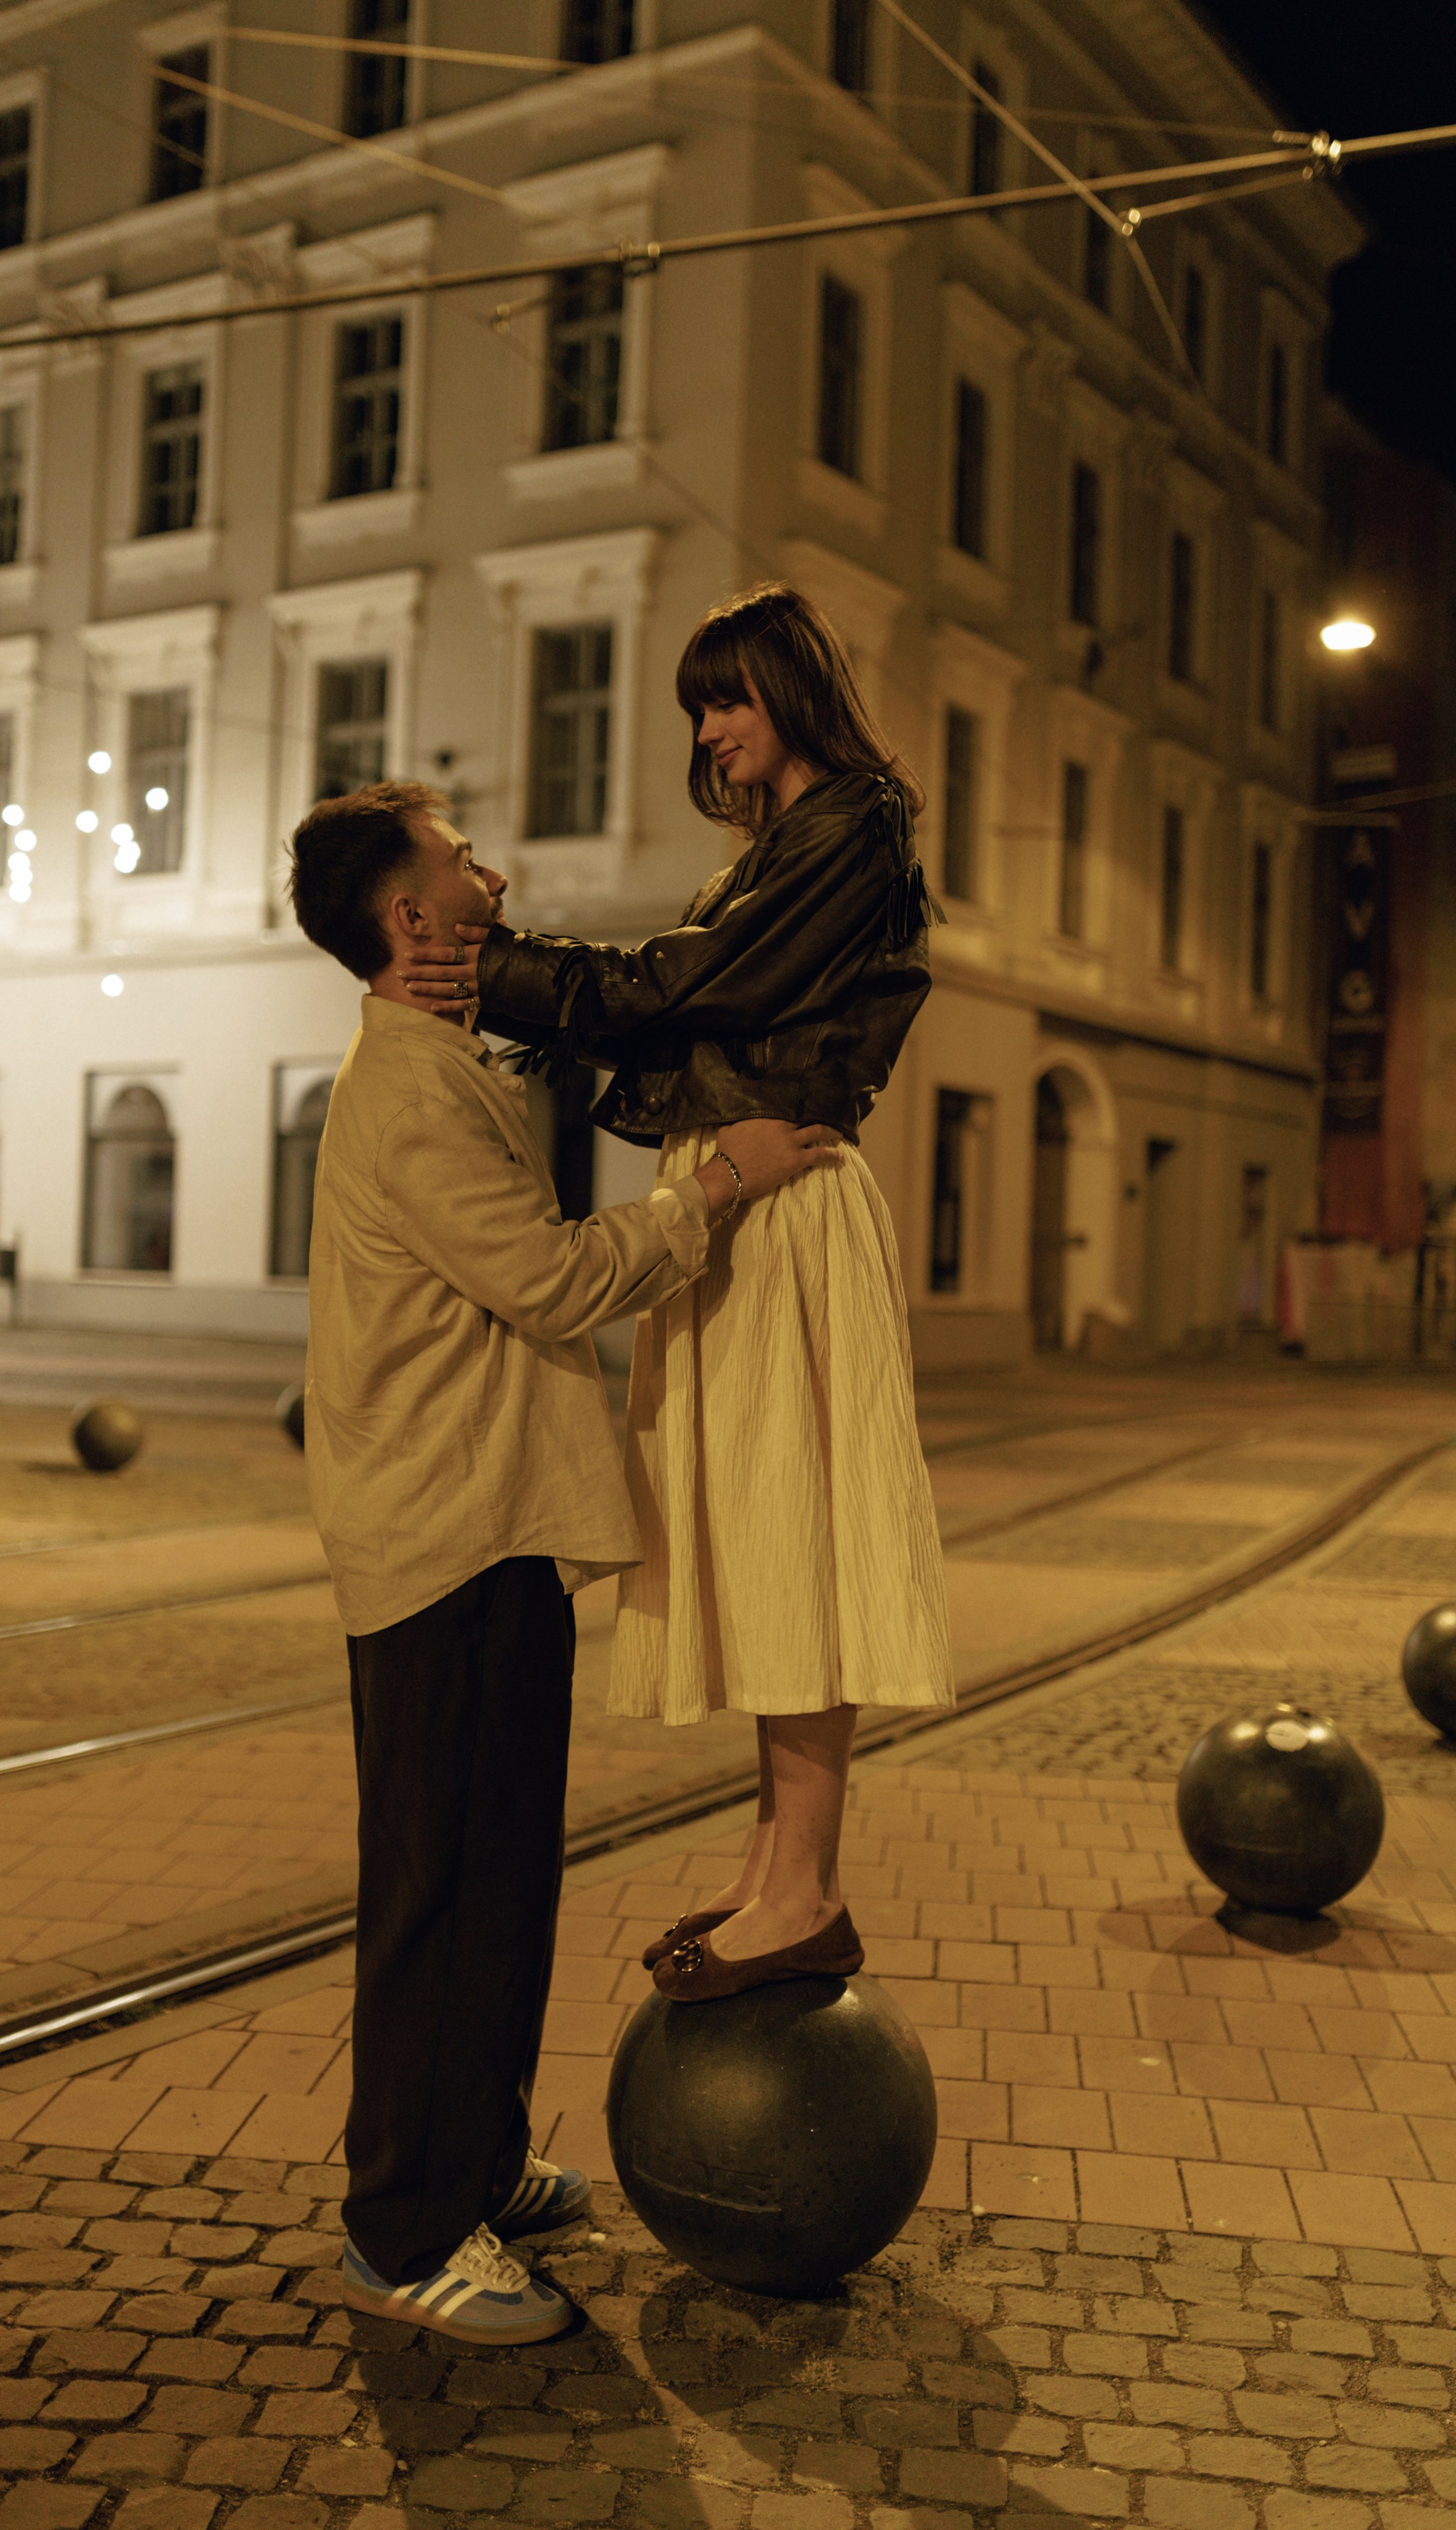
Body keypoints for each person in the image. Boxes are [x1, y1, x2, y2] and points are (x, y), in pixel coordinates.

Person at [288, 776, 840, 2343]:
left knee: (501, 1881)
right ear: (409, 918)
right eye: (462, 861)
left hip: (489, 1524)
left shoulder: (445, 1070)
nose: (491, 871)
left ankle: (467, 2156)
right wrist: (712, 1187)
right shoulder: (406, 1095)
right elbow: (545, 1282)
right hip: (443, 1541)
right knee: (439, 1894)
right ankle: (403, 2228)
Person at [401, 583, 955, 2004]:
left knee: (795, 1535)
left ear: (787, 690)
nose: (709, 732)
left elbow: (692, 984)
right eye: (696, 709)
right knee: (759, 1535)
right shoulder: (786, 841)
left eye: (728, 700)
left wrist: (500, 971)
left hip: (781, 1199)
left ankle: (810, 1886)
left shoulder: (856, 822)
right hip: (736, 1193)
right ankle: (778, 1865)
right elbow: (690, 999)